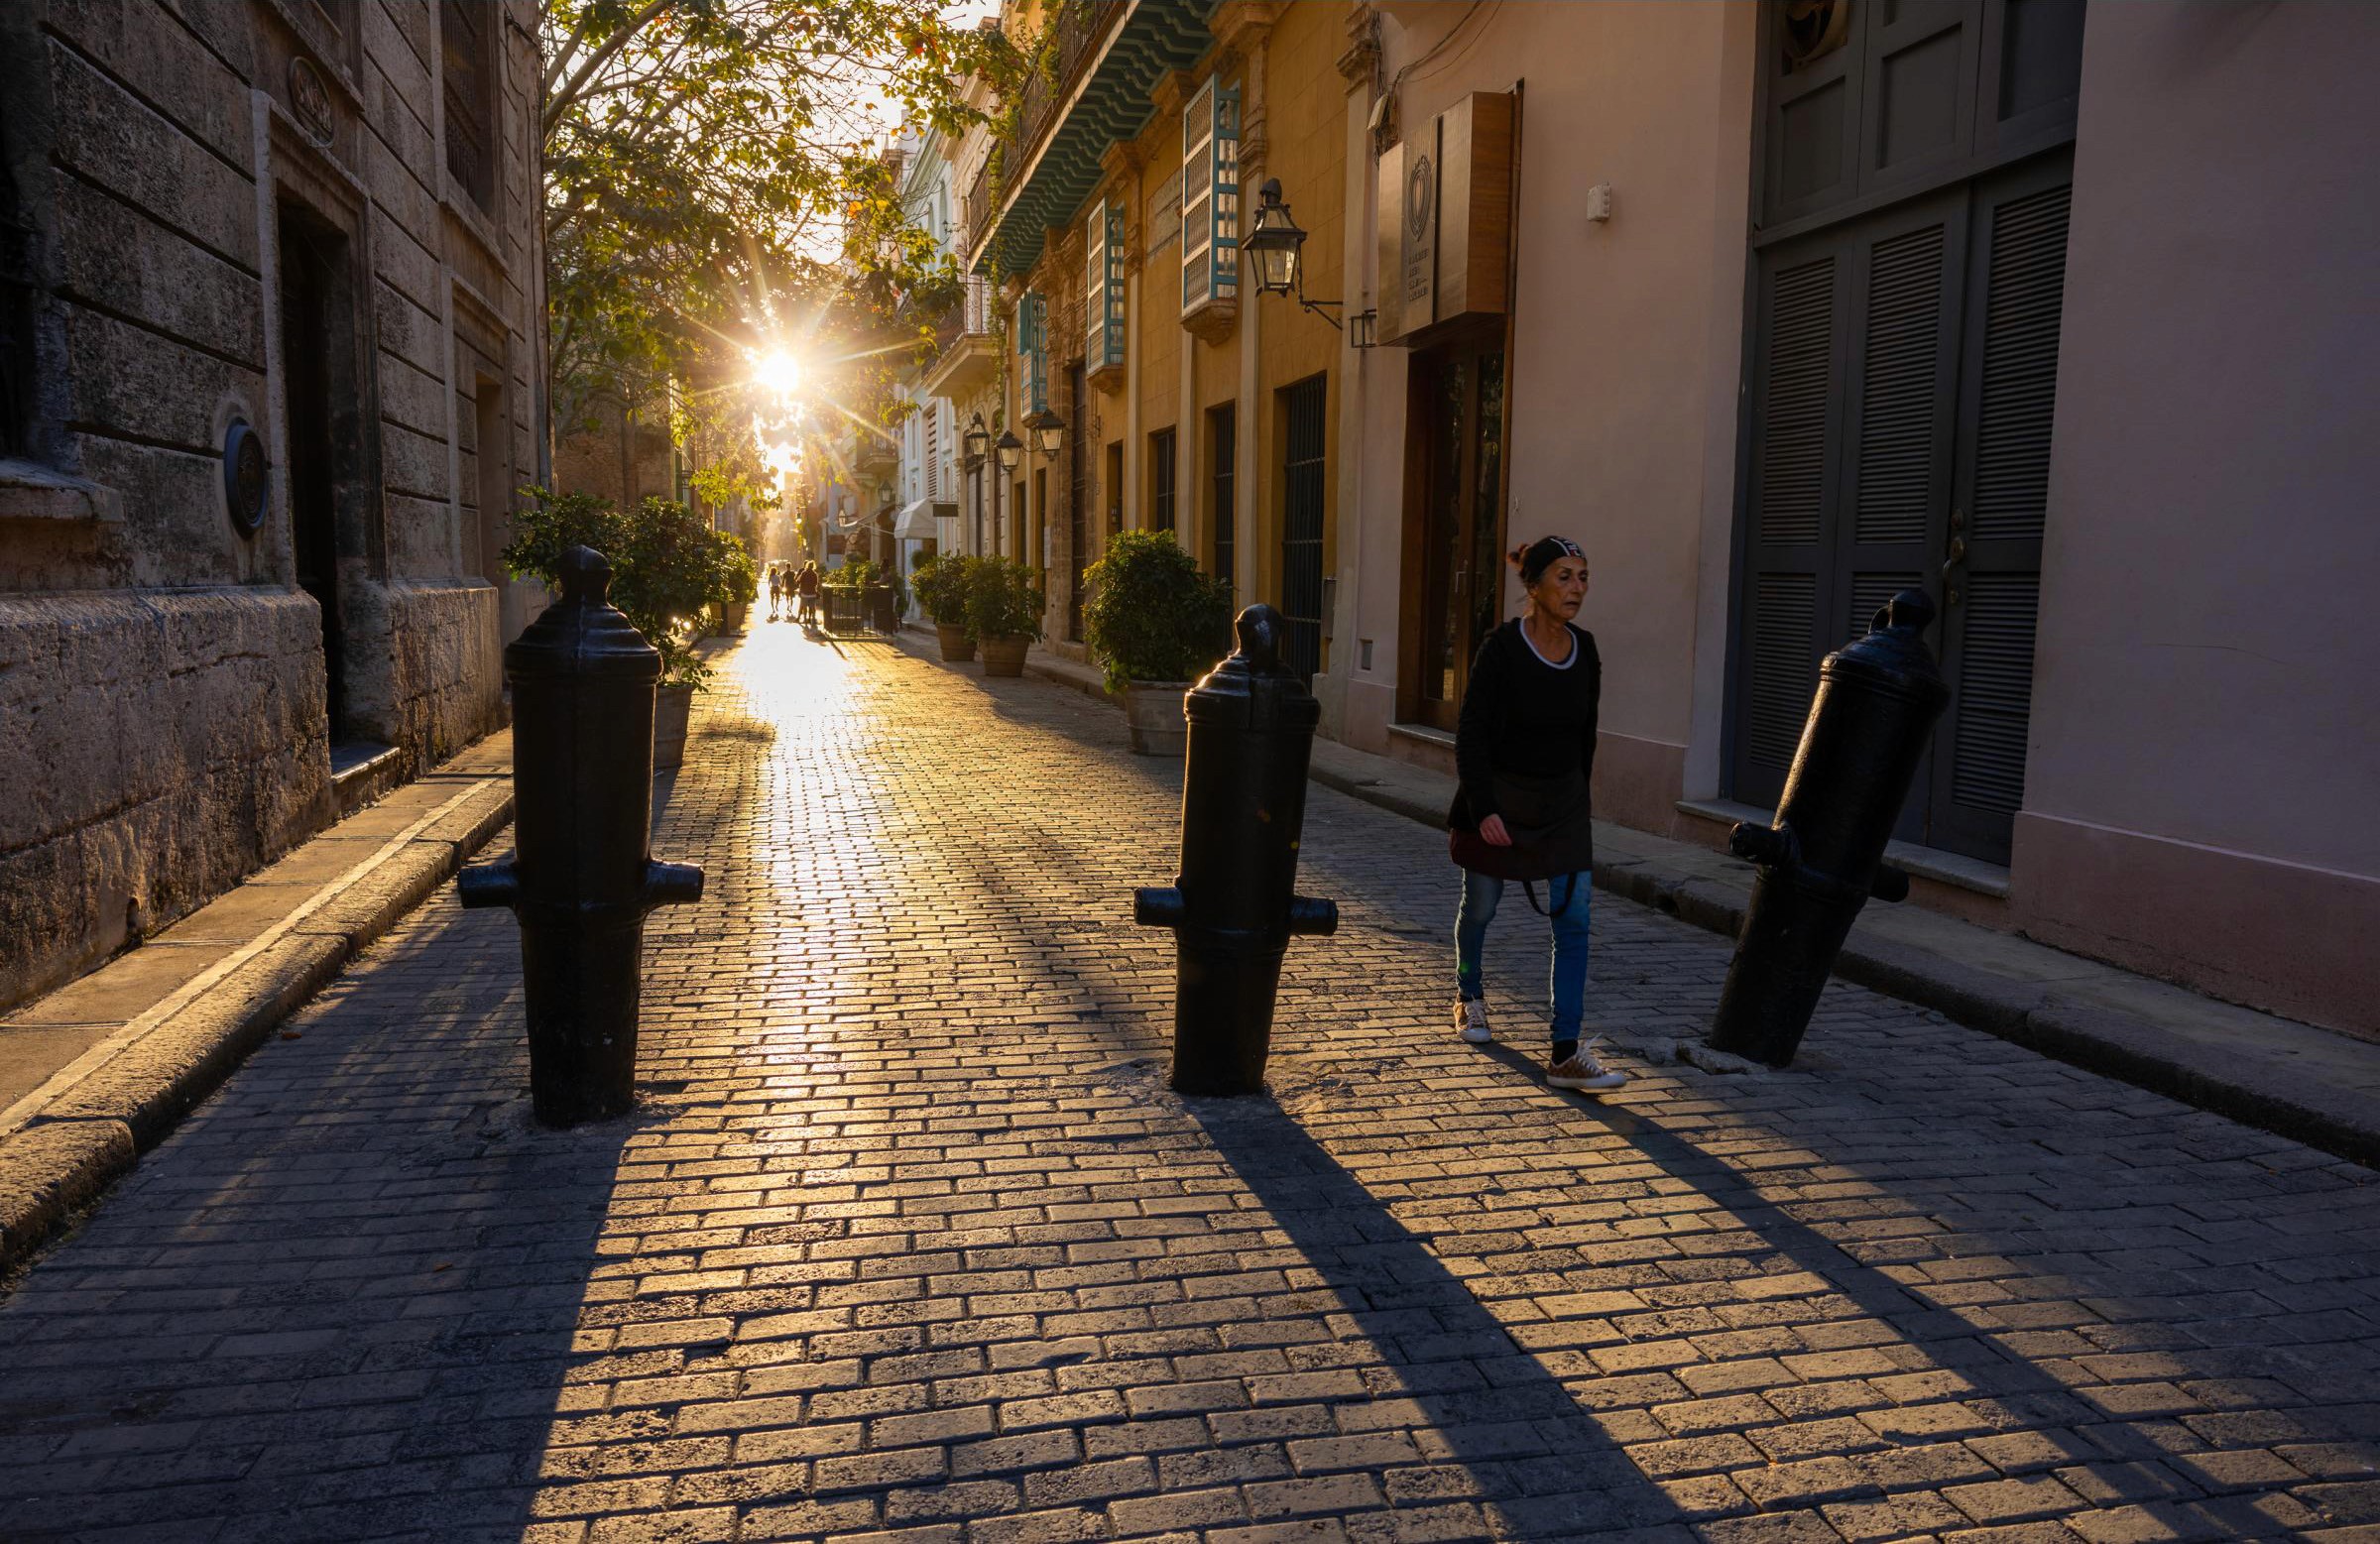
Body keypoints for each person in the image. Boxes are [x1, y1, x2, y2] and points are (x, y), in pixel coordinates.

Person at [1446, 534, 1628, 1093]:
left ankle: (1565, 1052)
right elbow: (1472, 733)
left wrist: (1580, 803)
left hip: (1563, 804)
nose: (1576, 588)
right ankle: (1469, 992)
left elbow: (1585, 735)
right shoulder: (1501, 649)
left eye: (1583, 576)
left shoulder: (1586, 649)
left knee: (1574, 922)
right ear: (1535, 585)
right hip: (1500, 799)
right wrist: (1483, 809)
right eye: (1564, 576)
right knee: (1481, 906)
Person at [796, 560, 821, 629]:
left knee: (804, 607)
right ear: (813, 566)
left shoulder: (804, 573)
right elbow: (816, 584)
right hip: (812, 593)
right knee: (813, 608)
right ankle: (812, 620)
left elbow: (799, 582)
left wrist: (800, 590)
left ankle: (805, 620)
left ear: (807, 566)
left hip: (804, 594)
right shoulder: (815, 574)